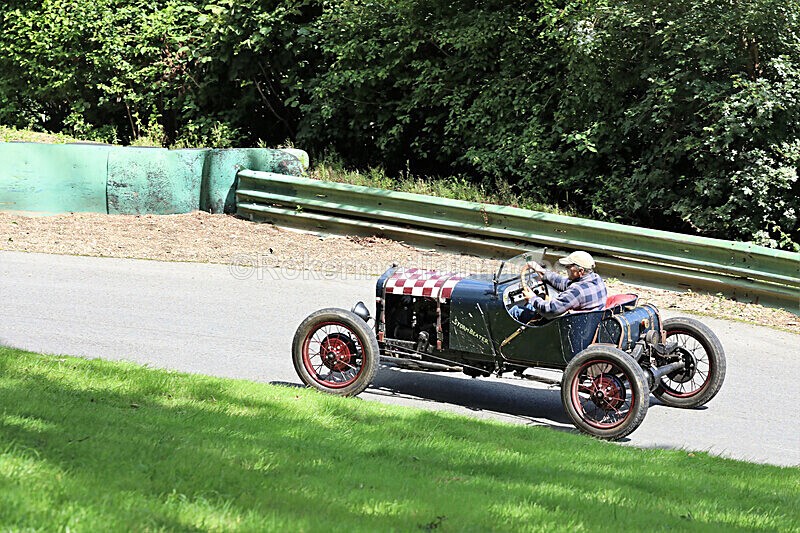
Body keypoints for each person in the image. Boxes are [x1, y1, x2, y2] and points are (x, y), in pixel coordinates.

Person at [509, 251, 607, 323]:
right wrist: (541, 271)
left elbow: (550, 310)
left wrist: (532, 298)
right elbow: (565, 283)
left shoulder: (577, 291)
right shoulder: (596, 279)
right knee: (534, 304)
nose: (566, 269)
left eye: (568, 267)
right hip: (588, 322)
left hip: (564, 324)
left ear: (580, 271)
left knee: (515, 310)